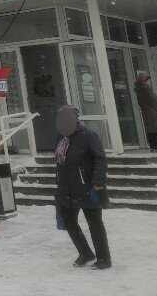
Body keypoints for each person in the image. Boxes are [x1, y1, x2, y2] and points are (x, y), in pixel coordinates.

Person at [54, 105, 112, 270]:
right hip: (66, 187)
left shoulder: (89, 136)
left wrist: (98, 181)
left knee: (94, 222)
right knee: (68, 220)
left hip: (88, 187)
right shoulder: (61, 138)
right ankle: (85, 253)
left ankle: (104, 259)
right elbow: (60, 162)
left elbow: (100, 158)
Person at [135, 73, 157, 153]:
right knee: (155, 131)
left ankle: (154, 147)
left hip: (148, 113)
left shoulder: (140, 90)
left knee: (151, 131)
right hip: (153, 113)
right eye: (148, 80)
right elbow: (155, 102)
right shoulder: (146, 90)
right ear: (144, 82)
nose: (150, 82)